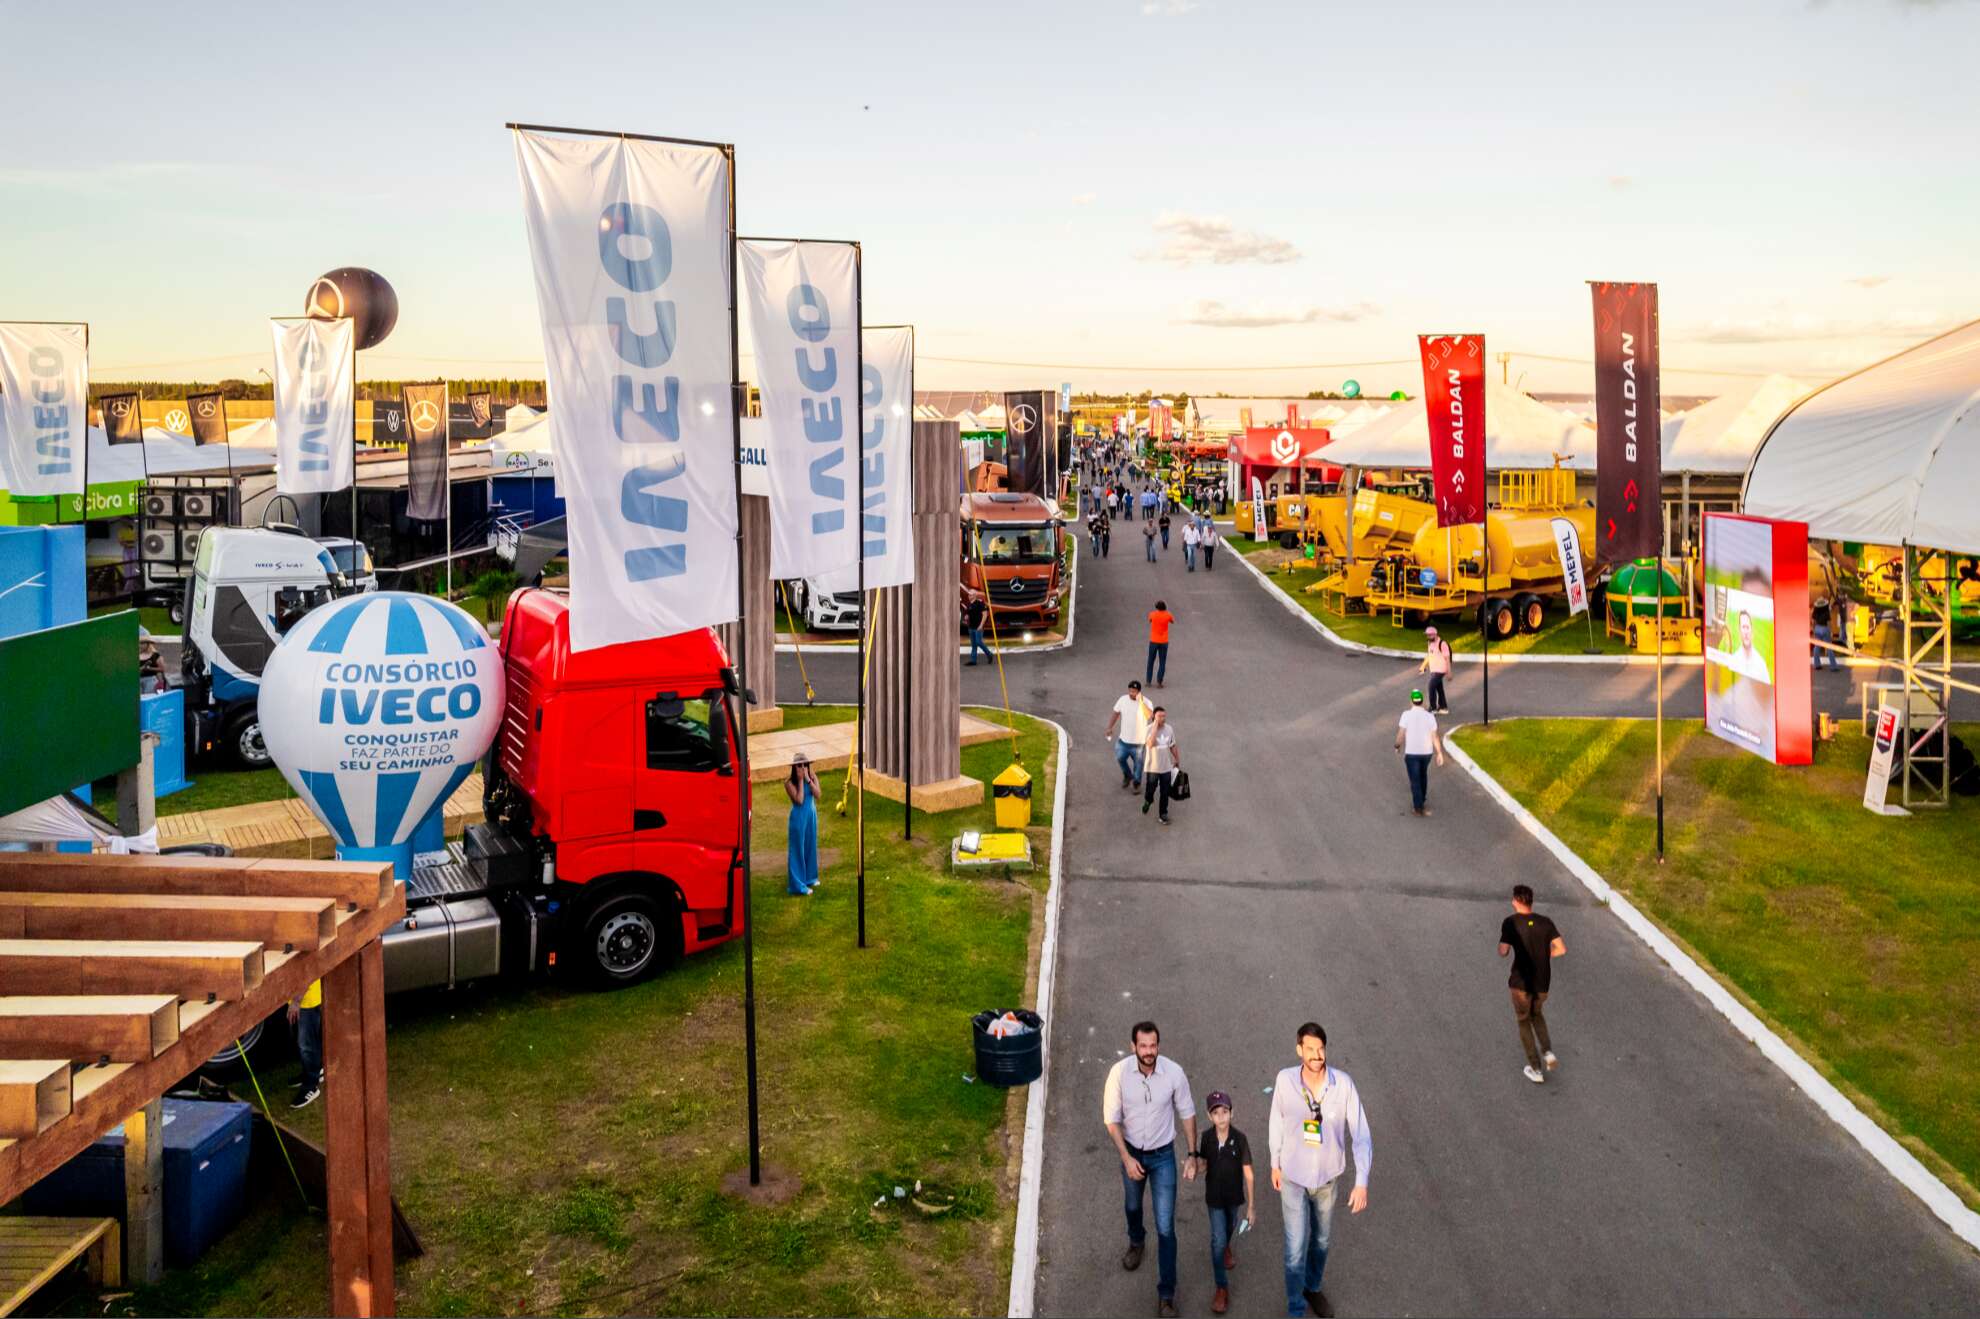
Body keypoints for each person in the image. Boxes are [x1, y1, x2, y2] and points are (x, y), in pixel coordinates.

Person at [1268, 1023, 1372, 1319]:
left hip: (1327, 1180)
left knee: (1322, 1241)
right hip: (1292, 1179)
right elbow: (1277, 1120)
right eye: (1310, 1049)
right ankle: (1295, 1308)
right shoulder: (1285, 1080)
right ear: (1299, 1050)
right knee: (1295, 1250)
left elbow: (1361, 1134)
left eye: (1321, 1049)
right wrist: (1274, 1162)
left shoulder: (1344, 1085)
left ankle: (1312, 1286)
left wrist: (1361, 1182)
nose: (1317, 1055)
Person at [1103, 1021, 1200, 1318]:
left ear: (1159, 1045)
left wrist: (1192, 1154)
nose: (1148, 1052)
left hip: (1162, 1157)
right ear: (1133, 1046)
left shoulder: (1173, 1073)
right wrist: (1126, 1158)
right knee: (1132, 1206)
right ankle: (1136, 1240)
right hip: (1131, 1152)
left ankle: (1166, 1295)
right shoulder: (1119, 1074)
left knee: (1166, 1227)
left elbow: (1187, 1113)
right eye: (1143, 1046)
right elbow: (1111, 1119)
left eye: (1153, 1045)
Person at [1499, 884, 1566, 1084]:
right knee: (1537, 1014)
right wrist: (1545, 955)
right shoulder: (1546, 923)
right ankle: (1548, 1052)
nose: (1512, 902)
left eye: (1513, 899)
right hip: (1542, 983)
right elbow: (1561, 949)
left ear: (1518, 901)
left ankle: (1536, 1068)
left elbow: (1503, 951)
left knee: (1523, 1020)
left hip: (1521, 983)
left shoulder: (1510, 923)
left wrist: (1507, 946)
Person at [1198, 1091, 1256, 1315]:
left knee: (1230, 1226)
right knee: (1217, 1239)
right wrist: (1194, 1167)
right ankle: (1221, 1288)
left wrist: (1251, 1206)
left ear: (1232, 1113)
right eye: (1216, 1113)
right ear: (1209, 1116)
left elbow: (1248, 1173)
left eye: (1225, 1112)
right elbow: (1204, 1163)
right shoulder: (1206, 1137)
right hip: (1214, 1199)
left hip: (1234, 1198)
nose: (1221, 1117)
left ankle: (1226, 1247)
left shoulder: (1240, 1139)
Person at [1394, 689, 1445, 816]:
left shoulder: (1406, 715)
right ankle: (1421, 799)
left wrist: (1397, 745)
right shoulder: (1430, 716)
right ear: (1422, 702)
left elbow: (1401, 734)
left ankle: (1418, 807)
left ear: (1411, 701)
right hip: (1426, 753)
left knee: (1415, 780)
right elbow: (1435, 736)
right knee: (1423, 775)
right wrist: (1439, 753)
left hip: (1412, 753)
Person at [784, 754, 821, 895]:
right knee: (797, 850)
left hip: (811, 816)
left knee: (810, 846)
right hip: (798, 819)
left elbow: (818, 795)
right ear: (794, 767)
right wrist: (800, 781)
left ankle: (810, 878)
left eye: (805, 764)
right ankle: (798, 885)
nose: (803, 767)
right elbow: (799, 800)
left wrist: (808, 780)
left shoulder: (812, 776)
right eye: (799, 765)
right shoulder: (789, 783)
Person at [1107, 679, 1152, 790]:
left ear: (1139, 692)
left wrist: (1141, 702)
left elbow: (1150, 716)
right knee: (1120, 758)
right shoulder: (1123, 699)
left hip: (1139, 743)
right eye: (1130, 691)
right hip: (1123, 741)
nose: (1132, 693)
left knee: (1138, 765)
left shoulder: (1146, 702)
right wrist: (1110, 727)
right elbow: (1116, 713)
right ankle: (1127, 775)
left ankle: (1136, 784)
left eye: (1134, 691)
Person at [1142, 706, 1181, 825]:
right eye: (1160, 716)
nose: (1163, 718)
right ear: (1154, 717)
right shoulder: (1148, 729)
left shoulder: (1169, 729)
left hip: (1166, 767)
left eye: (1164, 716)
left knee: (1165, 792)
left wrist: (1177, 759)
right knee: (1150, 789)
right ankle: (1148, 800)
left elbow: (1172, 745)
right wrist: (1155, 725)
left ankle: (1163, 814)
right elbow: (1150, 744)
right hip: (1153, 767)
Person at [288, 980, 323, 1108]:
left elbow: (308, 973)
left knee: (307, 1045)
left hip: (306, 1001)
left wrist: (296, 1002)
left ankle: (311, 1087)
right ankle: (310, 1073)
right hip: (298, 998)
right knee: (303, 1043)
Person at [1418, 627, 1452, 714]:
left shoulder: (1442, 644)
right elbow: (1429, 656)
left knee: (1431, 686)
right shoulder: (1430, 643)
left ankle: (1433, 708)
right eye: (1427, 635)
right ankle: (1443, 708)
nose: (1428, 637)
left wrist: (1449, 672)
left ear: (1435, 634)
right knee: (1439, 688)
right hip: (1433, 670)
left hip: (1440, 670)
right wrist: (1423, 666)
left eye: (1429, 635)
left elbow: (1447, 659)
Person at [1147, 600, 1175, 687]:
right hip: (1164, 641)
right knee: (1162, 662)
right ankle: (1159, 682)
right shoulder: (1168, 615)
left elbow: (1150, 620)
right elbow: (1172, 621)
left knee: (1150, 661)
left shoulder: (1152, 614)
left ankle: (1148, 681)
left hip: (1154, 641)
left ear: (1156, 607)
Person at [1811, 596, 1840, 671]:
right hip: (1824, 628)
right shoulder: (1826, 611)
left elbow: (1813, 621)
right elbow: (1828, 623)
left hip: (1817, 628)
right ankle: (1833, 666)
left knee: (1817, 647)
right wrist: (1830, 631)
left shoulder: (1815, 610)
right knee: (1829, 647)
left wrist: (1814, 630)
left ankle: (1817, 665)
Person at [964, 594, 991, 666]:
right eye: (968, 595)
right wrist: (966, 617)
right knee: (973, 645)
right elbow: (967, 614)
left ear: (975, 595)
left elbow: (985, 614)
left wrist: (981, 625)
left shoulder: (980, 603)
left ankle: (989, 654)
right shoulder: (969, 604)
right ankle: (973, 661)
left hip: (978, 627)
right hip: (971, 627)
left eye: (971, 595)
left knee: (978, 642)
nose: (969, 596)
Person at [137, 631, 167, 695]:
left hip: (151, 680)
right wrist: (143, 668)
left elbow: (162, 669)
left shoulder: (155, 655)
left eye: (142, 643)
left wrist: (149, 668)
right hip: (137, 680)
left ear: (148, 644)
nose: (140, 645)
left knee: (149, 697)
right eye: (139, 643)